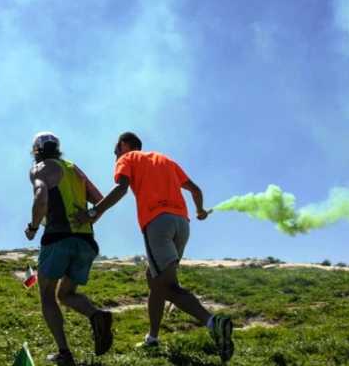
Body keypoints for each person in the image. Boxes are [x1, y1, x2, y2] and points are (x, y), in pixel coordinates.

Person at [76, 132, 234, 362]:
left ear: (124, 145)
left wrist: (94, 212)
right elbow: (196, 190)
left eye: (116, 149)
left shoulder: (128, 158)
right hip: (182, 224)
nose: (115, 154)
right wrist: (200, 210)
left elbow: (121, 188)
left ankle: (213, 322)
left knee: (168, 286)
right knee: (154, 279)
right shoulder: (165, 160)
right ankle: (152, 338)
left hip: (158, 222)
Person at [24, 132, 113, 366]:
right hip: (86, 242)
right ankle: (96, 316)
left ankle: (64, 353)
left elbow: (41, 197)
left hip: (57, 238)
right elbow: (99, 199)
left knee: (47, 295)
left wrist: (33, 227)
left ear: (36, 150)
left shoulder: (39, 168)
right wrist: (90, 216)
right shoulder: (74, 169)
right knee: (66, 294)